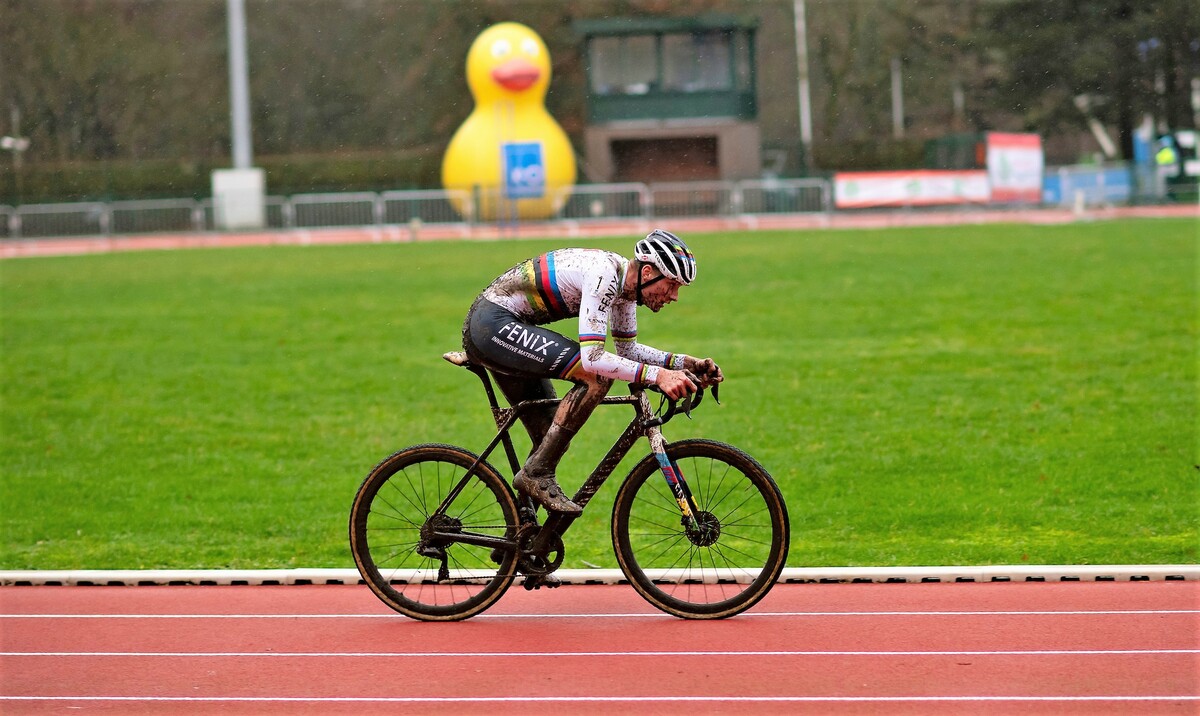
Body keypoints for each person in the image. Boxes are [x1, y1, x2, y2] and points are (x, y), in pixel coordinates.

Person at [461, 229, 723, 515]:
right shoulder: (605, 277)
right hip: (492, 326)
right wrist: (658, 376)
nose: (674, 297)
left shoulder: (624, 289)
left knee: (549, 435)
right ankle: (537, 473)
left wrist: (684, 364)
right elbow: (594, 358)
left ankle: (521, 534)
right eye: (672, 285)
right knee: (597, 377)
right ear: (648, 272)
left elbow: (628, 352)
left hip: (502, 327)